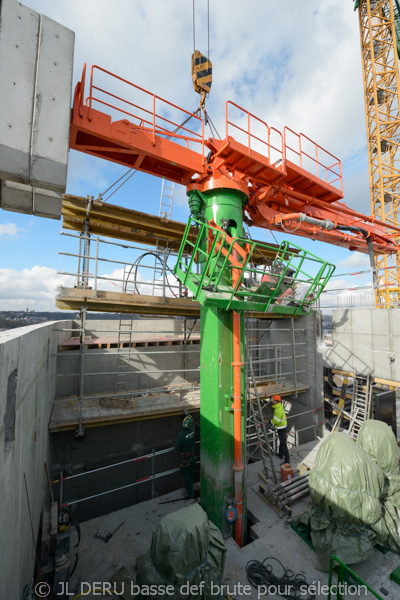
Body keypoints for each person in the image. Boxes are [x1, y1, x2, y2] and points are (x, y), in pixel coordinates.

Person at [175, 414, 196, 498]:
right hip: (192, 456)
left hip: (185, 460)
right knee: (192, 472)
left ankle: (190, 493)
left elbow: (177, 447)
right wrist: (189, 416)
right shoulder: (193, 430)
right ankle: (192, 486)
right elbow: (193, 424)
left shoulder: (181, 435)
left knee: (186, 475)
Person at [266, 395, 290, 465]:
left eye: (273, 400)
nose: (272, 401)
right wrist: (269, 396)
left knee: (283, 443)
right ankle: (280, 454)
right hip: (281, 426)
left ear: (276, 401)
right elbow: (274, 400)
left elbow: (276, 421)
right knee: (281, 441)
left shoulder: (278, 410)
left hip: (281, 427)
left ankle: (287, 459)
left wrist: (270, 421)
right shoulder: (279, 405)